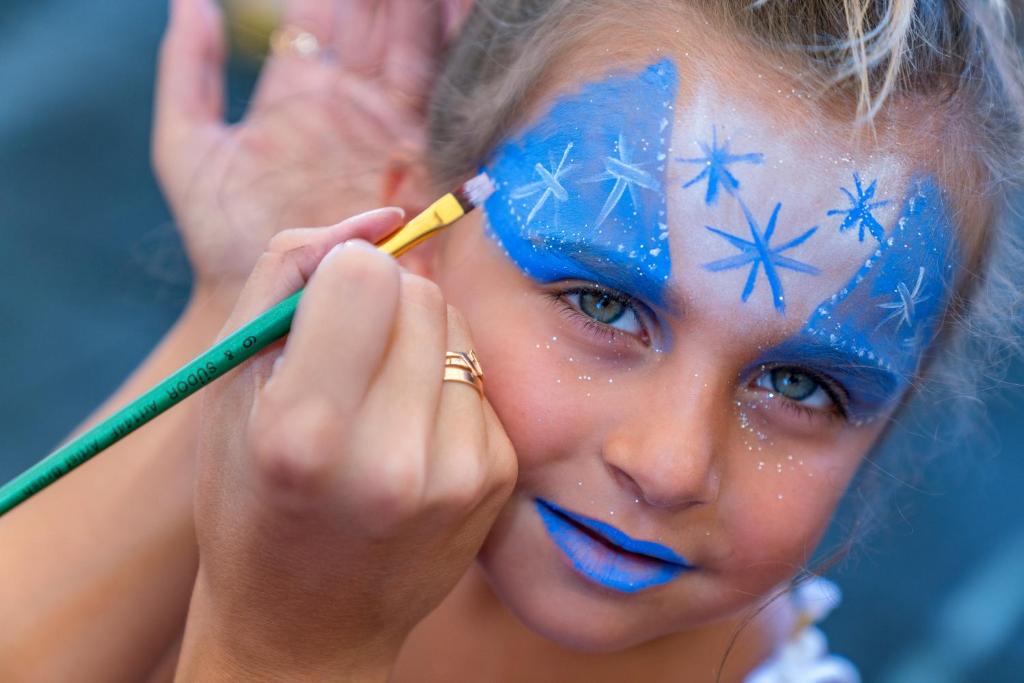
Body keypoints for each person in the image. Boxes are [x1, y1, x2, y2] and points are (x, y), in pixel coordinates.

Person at [1, 0, 1022, 680]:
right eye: (605, 306)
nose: (669, 463)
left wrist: (289, 643)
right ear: (415, 234)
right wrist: (243, 314)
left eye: (801, 383)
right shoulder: (294, 460)